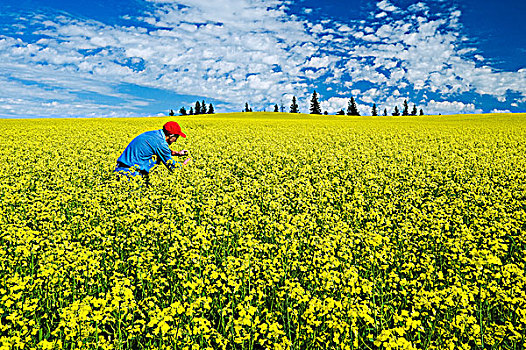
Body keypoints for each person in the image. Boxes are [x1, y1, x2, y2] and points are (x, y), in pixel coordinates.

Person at [114, 121, 191, 180]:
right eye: (176, 137)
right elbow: (173, 166)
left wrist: (177, 153)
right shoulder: (160, 143)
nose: (176, 141)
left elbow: (159, 149)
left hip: (121, 169)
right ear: (171, 136)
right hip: (130, 174)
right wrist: (184, 166)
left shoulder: (154, 135)